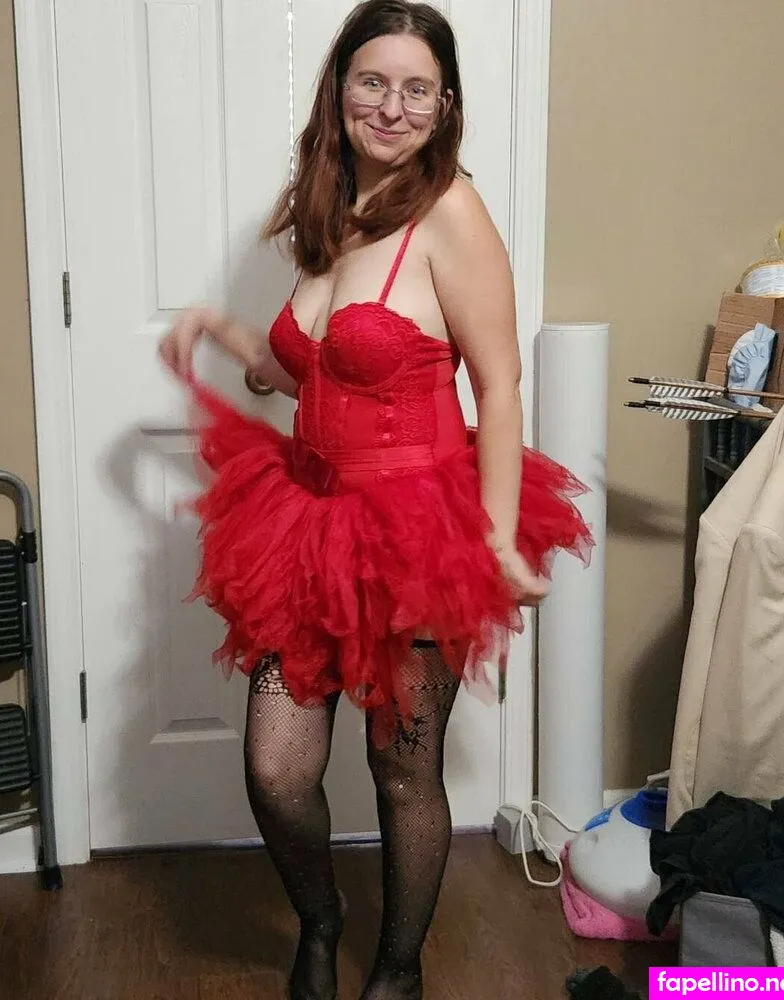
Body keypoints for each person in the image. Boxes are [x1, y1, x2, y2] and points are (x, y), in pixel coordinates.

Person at [159, 2, 592, 998]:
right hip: (311, 519)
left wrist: (492, 540)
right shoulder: (334, 207)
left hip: (414, 529)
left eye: (416, 89)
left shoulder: (452, 213)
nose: (391, 107)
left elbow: (499, 386)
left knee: (402, 768)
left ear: (446, 106)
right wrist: (227, 334)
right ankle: (322, 920)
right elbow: (313, 366)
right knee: (277, 768)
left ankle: (398, 972)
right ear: (340, 89)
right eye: (373, 81)